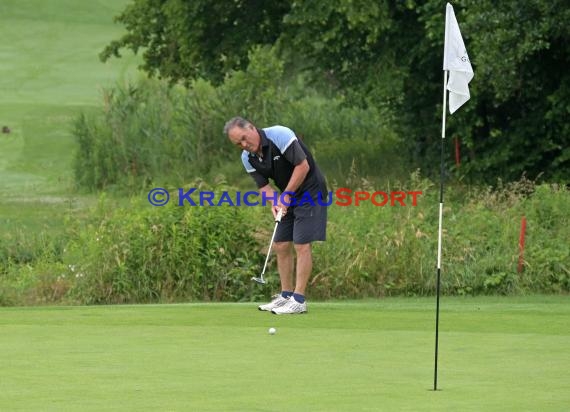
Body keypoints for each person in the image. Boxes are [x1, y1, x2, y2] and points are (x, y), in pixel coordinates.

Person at [224, 117, 328, 314]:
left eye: (245, 138)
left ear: (252, 128)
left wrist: (286, 195)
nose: (245, 145)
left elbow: (302, 166)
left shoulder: (280, 135)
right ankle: (286, 295)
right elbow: (263, 186)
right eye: (239, 144)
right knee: (280, 243)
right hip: (287, 194)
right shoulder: (248, 158)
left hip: (310, 191)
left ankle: (298, 300)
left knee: (301, 243)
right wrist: (274, 202)